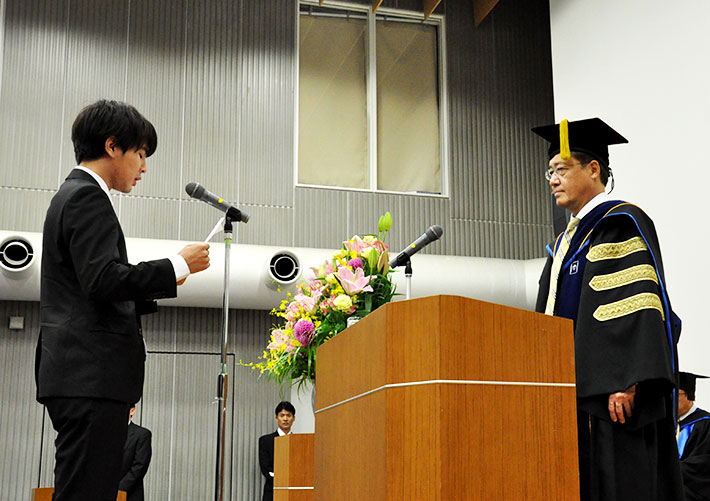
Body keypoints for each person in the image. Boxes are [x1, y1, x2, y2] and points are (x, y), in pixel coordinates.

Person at [35, 99, 210, 501]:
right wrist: (176, 266)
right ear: (113, 146)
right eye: (141, 154)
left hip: (78, 374)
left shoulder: (74, 194)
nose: (144, 167)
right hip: (90, 376)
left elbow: (89, 288)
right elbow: (102, 279)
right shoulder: (86, 197)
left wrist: (149, 293)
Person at [532, 118, 683, 501]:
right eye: (550, 172)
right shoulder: (564, 244)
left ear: (593, 169)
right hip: (570, 397)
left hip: (612, 402)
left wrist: (626, 381)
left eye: (561, 169)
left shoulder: (620, 223)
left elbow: (638, 306)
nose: (552, 180)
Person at [677, 371, 710, 501]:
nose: (670, 401)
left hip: (693, 491)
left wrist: (672, 469)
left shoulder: (705, 423)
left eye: (675, 395)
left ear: (689, 395)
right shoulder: (663, 425)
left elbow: (704, 462)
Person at [258, 401, 296, 501]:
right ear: (276, 418)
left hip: (296, 491)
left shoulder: (299, 442)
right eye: (282, 415)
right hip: (272, 492)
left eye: (289, 415)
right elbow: (266, 469)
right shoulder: (265, 440)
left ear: (294, 419)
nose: (285, 419)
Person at [119, 404, 152, 501]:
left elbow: (140, 466)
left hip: (129, 493)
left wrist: (120, 488)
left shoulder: (142, 434)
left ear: (132, 411)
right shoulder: (108, 433)